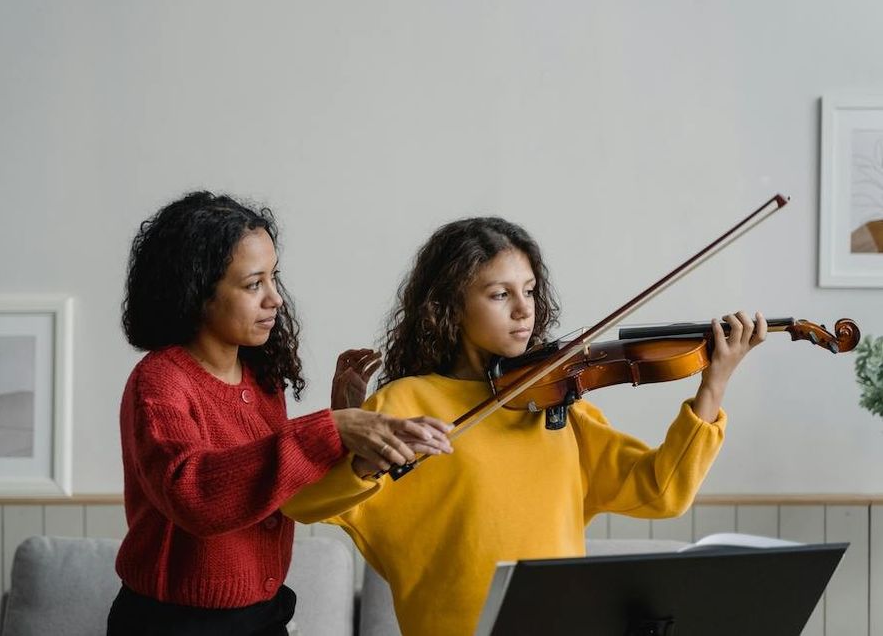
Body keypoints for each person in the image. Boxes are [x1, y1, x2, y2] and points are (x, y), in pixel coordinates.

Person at [284, 216, 767, 636]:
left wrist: (713, 385)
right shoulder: (406, 401)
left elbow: (663, 491)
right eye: (500, 294)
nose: (524, 308)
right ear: (449, 306)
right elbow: (306, 503)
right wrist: (349, 436)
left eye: (530, 290)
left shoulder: (559, 403)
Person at [107, 190, 452, 636]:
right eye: (254, 284)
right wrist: (331, 430)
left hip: (263, 616)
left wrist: (345, 418)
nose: (276, 299)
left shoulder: (261, 379)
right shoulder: (159, 382)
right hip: (174, 624)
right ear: (196, 292)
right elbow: (194, 496)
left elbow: (282, 492)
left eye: (274, 278)